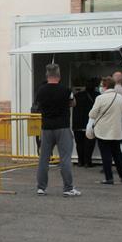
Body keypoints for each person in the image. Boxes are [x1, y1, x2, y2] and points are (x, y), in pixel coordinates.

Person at [34, 64, 81, 197]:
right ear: (59, 75)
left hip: (46, 127)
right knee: (65, 158)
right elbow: (73, 103)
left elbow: (38, 105)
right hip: (62, 127)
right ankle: (68, 188)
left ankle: (41, 187)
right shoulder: (66, 90)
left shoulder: (41, 90)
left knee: (44, 158)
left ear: (47, 75)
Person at [90, 77, 122, 185]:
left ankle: (109, 178)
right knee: (117, 154)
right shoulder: (119, 97)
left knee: (106, 155)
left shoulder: (100, 98)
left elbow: (92, 114)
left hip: (103, 131)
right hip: (116, 131)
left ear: (105, 86)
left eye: (101, 85)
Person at [72, 79, 98, 168]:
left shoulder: (77, 95)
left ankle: (80, 161)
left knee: (79, 143)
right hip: (90, 123)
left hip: (77, 123)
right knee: (89, 143)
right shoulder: (97, 96)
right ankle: (88, 161)